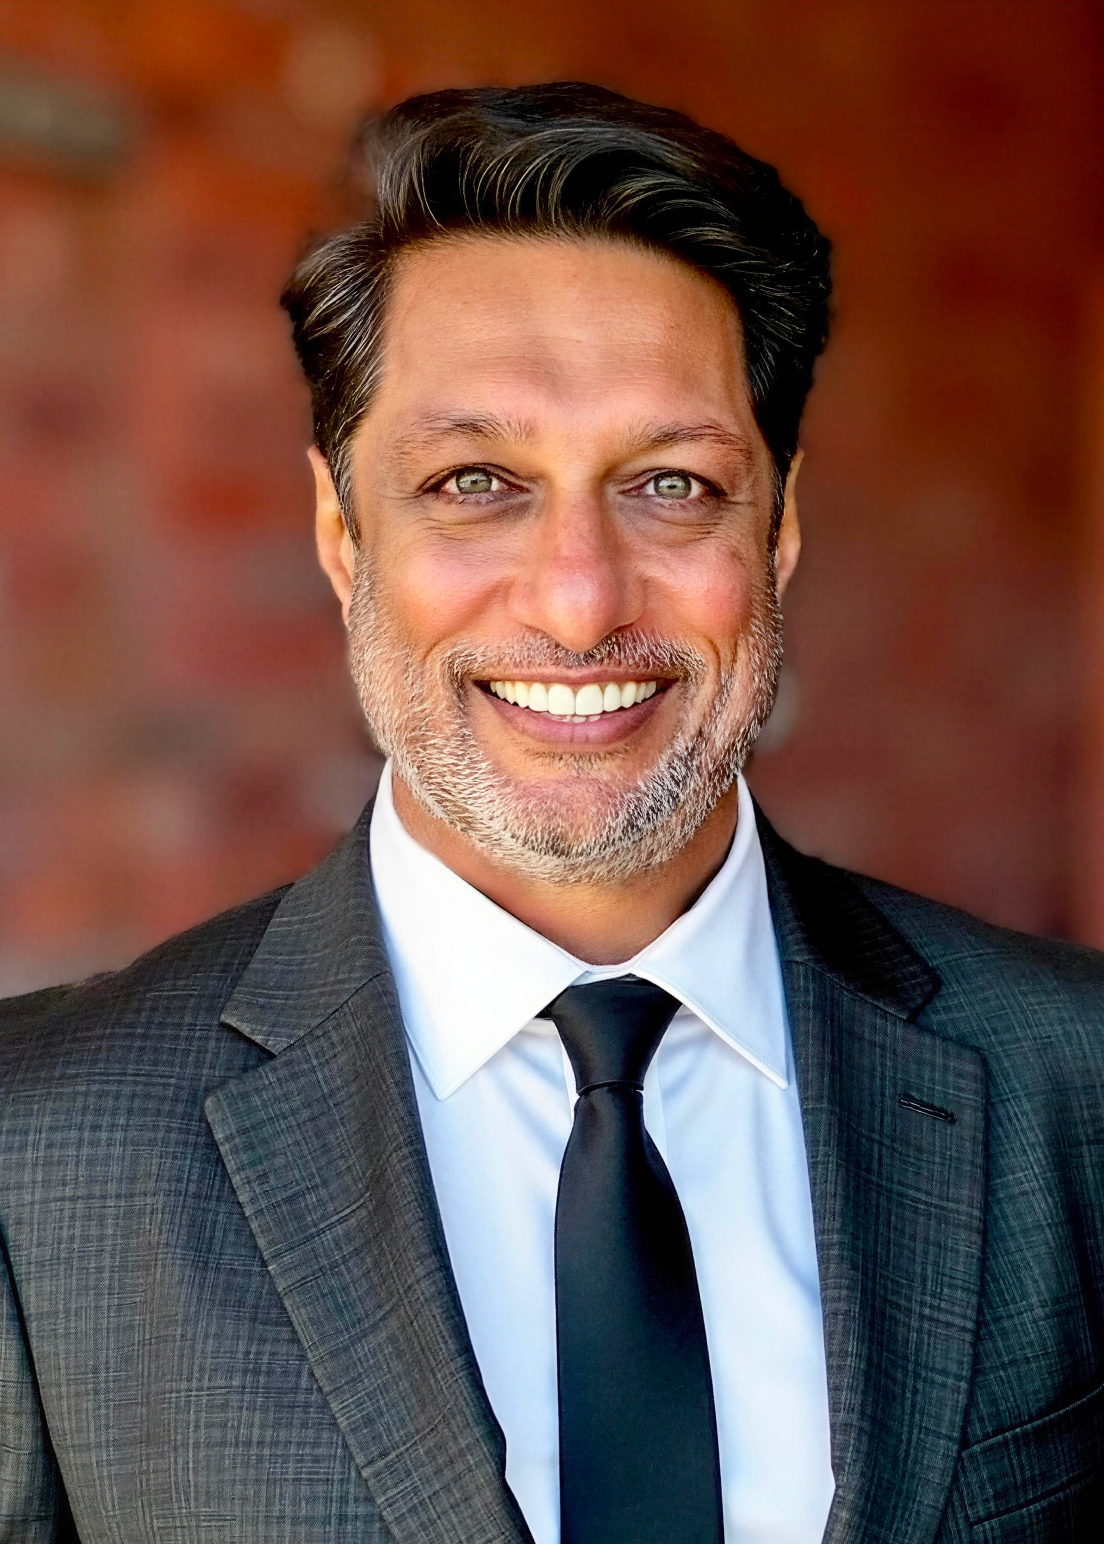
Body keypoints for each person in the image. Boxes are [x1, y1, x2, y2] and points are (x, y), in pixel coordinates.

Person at [0, 81, 1101, 1544]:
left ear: (778, 529)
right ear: (343, 533)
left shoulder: (1077, 1083)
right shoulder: (35, 1153)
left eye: (672, 484)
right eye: (475, 482)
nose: (580, 602)